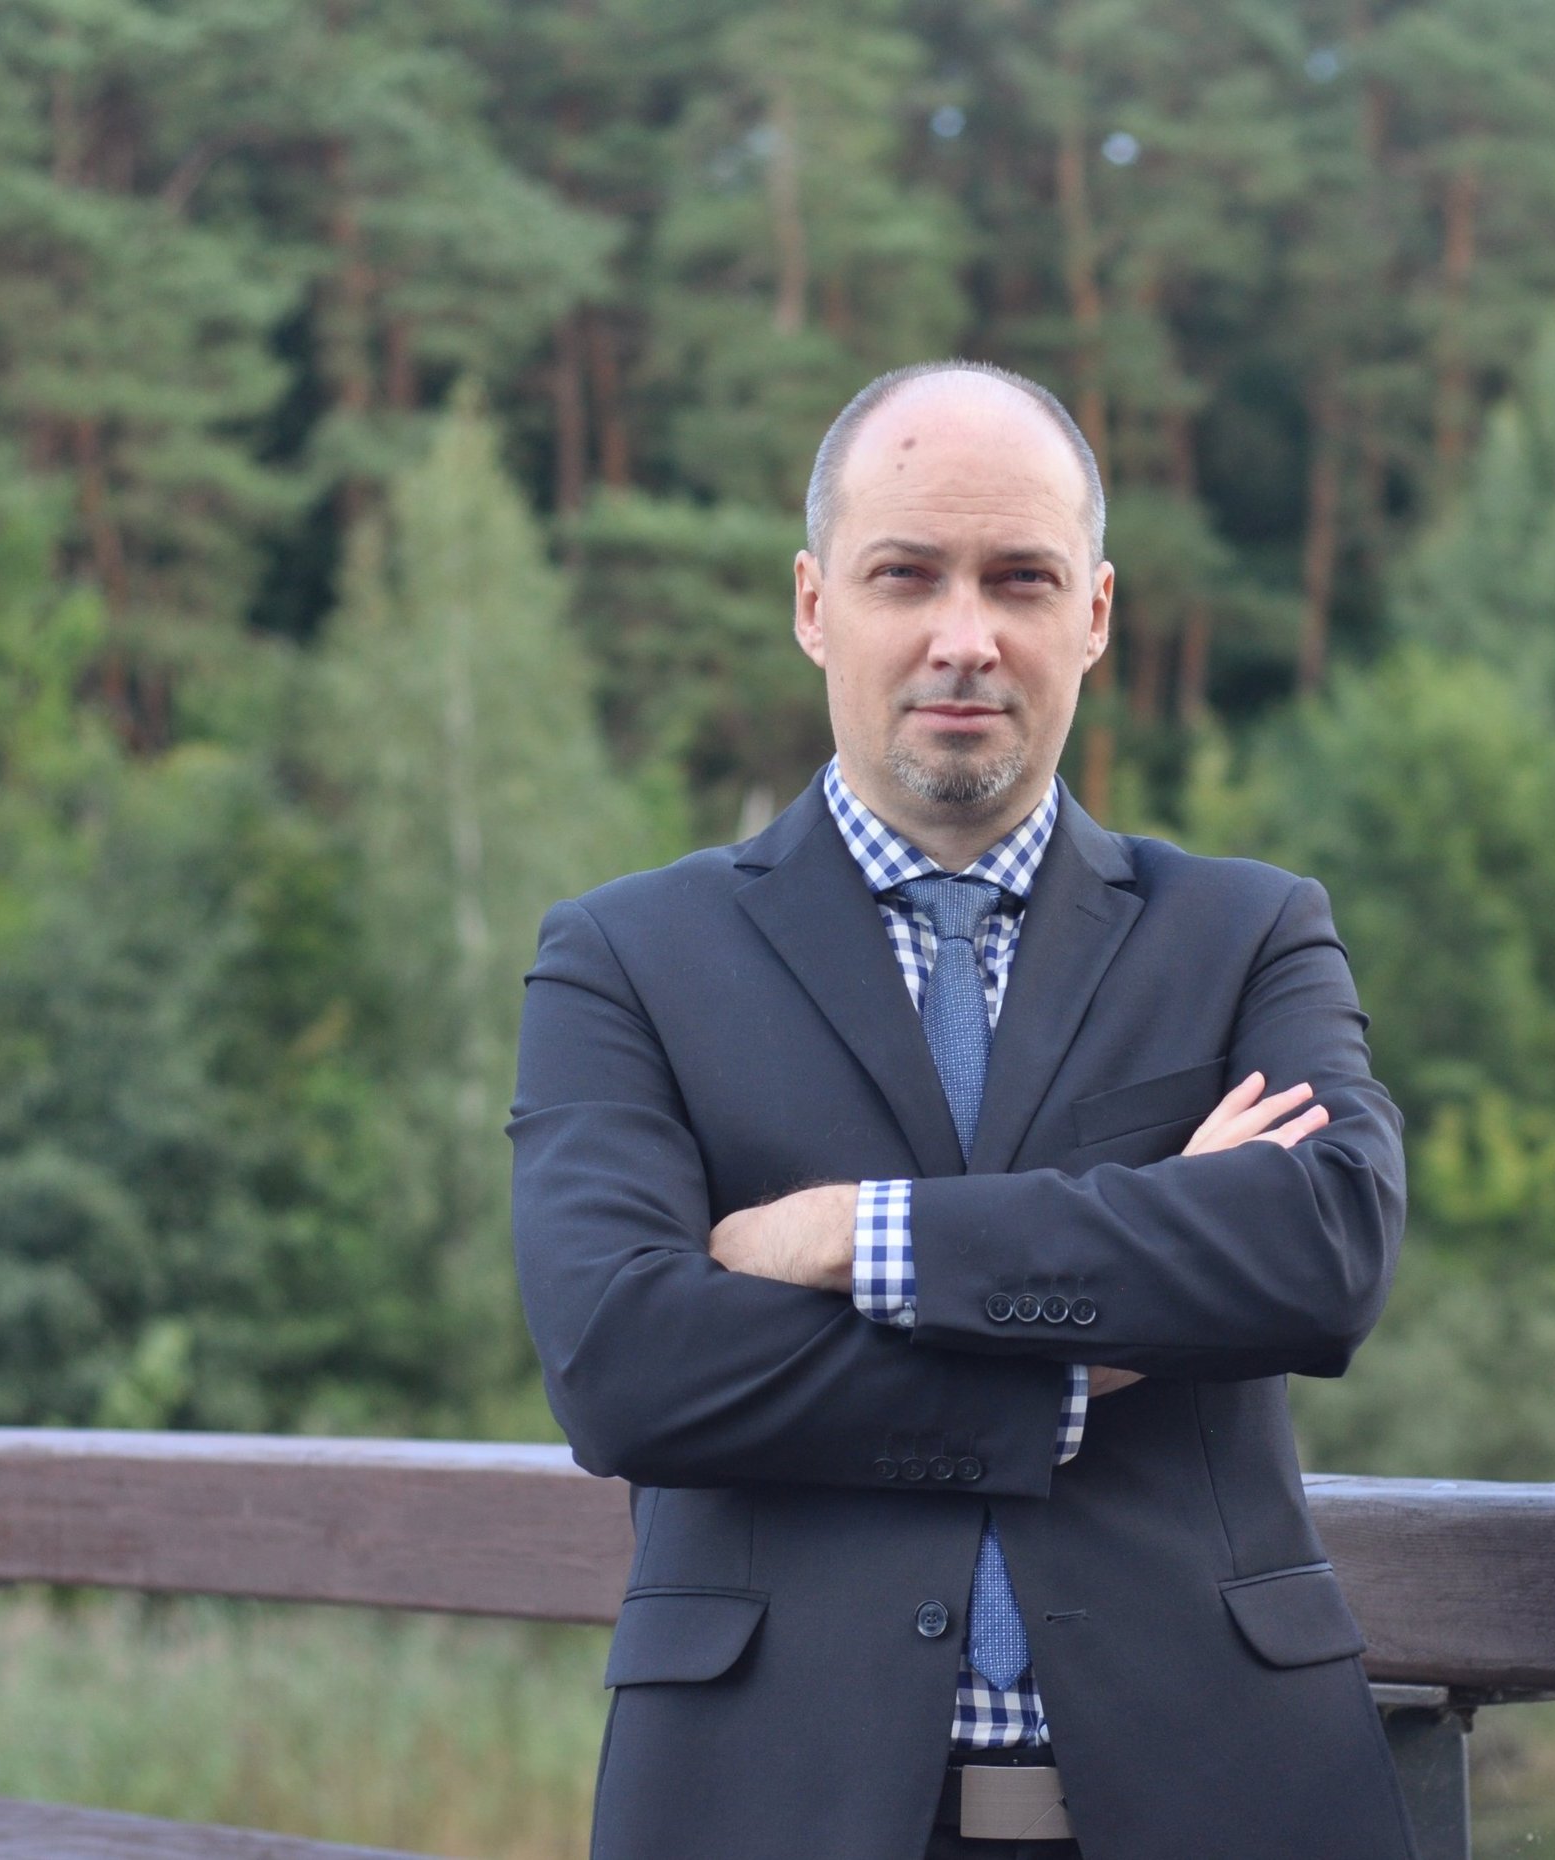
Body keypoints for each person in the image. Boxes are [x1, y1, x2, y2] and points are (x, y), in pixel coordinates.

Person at [508, 360, 1415, 1860]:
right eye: (905, 575)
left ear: (1098, 615)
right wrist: (1085, 1355)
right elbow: (626, 1364)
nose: (965, 637)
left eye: (1021, 580)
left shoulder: (1246, 933)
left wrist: (857, 1237)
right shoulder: (625, 959)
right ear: (815, 606)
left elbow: (1319, 1252)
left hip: (1229, 1800)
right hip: (767, 1810)